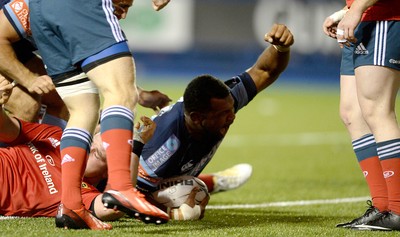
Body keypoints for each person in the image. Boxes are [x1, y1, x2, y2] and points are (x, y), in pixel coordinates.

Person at [0, 0, 172, 229]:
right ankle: (120, 185)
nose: (125, 11)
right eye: (123, 3)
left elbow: (96, 67)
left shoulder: (53, 137)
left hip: (42, 12)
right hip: (73, 7)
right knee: (121, 94)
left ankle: (71, 205)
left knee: (79, 107)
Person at [0, 73, 249, 222]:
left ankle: (210, 183)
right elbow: (8, 128)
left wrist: (137, 146)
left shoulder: (82, 194)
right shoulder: (56, 137)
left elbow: (115, 207)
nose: (104, 141)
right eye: (103, 133)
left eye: (116, 143)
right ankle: (214, 181)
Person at [131, 23, 293, 220]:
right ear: (197, 118)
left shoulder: (225, 102)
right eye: (224, 114)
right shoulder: (165, 144)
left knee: (190, 189)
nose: (232, 116)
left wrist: (281, 48)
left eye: (231, 109)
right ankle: (215, 182)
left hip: (167, 175)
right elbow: (129, 195)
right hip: (125, 178)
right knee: (189, 193)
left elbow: (265, 71)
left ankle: (214, 181)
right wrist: (174, 213)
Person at [323, 0, 400, 231]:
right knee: (352, 113)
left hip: (385, 18)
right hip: (366, 20)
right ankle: (382, 206)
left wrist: (356, 9)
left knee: (378, 110)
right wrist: (346, 11)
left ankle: (397, 208)